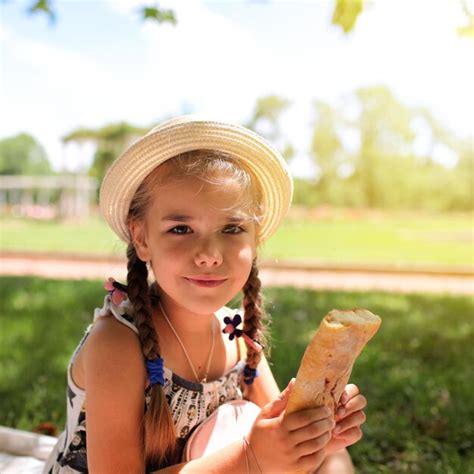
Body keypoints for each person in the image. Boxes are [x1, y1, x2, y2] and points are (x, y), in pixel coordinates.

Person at [43, 116, 367, 473]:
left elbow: (279, 440)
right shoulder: (117, 344)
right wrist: (251, 456)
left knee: (337, 461)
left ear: (255, 240)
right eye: (181, 228)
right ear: (142, 238)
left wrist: (314, 441)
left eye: (232, 228)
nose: (210, 253)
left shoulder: (238, 336)